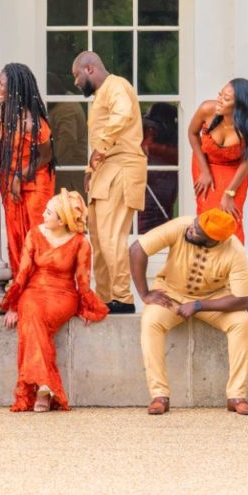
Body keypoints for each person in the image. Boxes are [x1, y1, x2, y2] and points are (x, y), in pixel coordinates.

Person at [131, 208, 248, 416]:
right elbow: (137, 249)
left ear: (214, 240)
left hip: (213, 298)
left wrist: (198, 305)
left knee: (241, 323)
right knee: (151, 320)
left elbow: (243, 299)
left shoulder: (235, 250)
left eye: (197, 231)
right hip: (171, 294)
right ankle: (159, 395)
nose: (191, 229)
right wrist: (144, 293)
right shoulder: (181, 226)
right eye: (195, 224)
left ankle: (236, 396)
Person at [0, 189, 107, 412]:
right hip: (33, 290)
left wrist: (87, 307)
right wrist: (13, 304)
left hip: (63, 295)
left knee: (34, 321)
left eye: (49, 213)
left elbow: (83, 280)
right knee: (31, 314)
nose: (43, 216)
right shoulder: (35, 234)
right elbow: (23, 272)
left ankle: (40, 387)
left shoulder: (80, 243)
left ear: (62, 220)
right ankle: (44, 389)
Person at [71, 51, 146, 313]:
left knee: (112, 235)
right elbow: (101, 138)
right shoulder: (102, 94)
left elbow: (122, 115)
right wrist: (89, 169)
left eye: (76, 75)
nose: (76, 83)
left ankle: (122, 298)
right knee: (100, 238)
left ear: (89, 69)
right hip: (105, 170)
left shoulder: (117, 85)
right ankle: (104, 297)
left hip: (122, 166)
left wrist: (100, 148)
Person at [186, 78, 248, 244]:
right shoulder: (206, 109)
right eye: (220, 94)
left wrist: (229, 193)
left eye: (226, 98)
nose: (219, 100)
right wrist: (204, 171)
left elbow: (247, 163)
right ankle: (207, 263)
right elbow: (192, 134)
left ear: (240, 106)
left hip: (235, 169)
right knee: (207, 214)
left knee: (231, 216)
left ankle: (233, 264)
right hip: (205, 161)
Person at [0, 63, 56, 275]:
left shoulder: (33, 122)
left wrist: (20, 175)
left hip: (35, 180)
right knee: (15, 235)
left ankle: (41, 285)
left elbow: (46, 155)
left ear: (16, 89)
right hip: (9, 181)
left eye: (2, 84)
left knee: (36, 233)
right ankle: (21, 286)